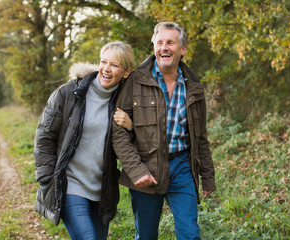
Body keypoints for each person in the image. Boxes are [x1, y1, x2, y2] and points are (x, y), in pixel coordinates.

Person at [111, 22, 216, 240]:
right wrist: (136, 170)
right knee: (146, 236)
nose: (164, 47)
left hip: (182, 167)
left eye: (170, 42)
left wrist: (208, 176)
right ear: (154, 47)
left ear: (182, 49)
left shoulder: (194, 86)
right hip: (146, 167)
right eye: (159, 43)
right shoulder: (135, 81)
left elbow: (200, 136)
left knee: (190, 234)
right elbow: (118, 132)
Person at [34, 41, 134, 240]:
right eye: (103, 62)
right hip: (69, 184)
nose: (106, 69)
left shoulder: (124, 102)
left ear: (126, 72)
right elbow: (44, 137)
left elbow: (127, 147)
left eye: (114, 65)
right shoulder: (68, 93)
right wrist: (47, 178)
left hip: (101, 189)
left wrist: (130, 128)